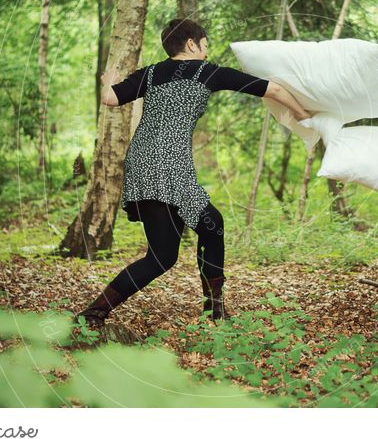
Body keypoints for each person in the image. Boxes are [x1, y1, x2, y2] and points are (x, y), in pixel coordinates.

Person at [75, 19, 311, 327]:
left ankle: (94, 313)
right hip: (169, 164)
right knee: (212, 227)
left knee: (162, 256)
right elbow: (274, 89)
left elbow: (111, 98)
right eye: (205, 45)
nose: (206, 50)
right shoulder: (209, 72)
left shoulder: (150, 73)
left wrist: (108, 79)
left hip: (141, 162)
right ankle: (215, 311)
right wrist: (304, 115)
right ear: (191, 44)